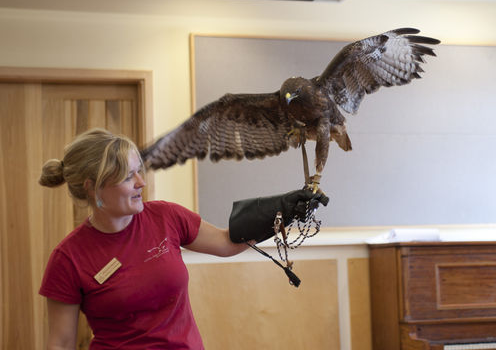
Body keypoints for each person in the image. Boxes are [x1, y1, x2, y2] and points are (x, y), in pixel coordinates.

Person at [38, 128, 322, 349]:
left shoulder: (165, 217)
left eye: (140, 171)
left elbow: (226, 242)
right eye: (127, 177)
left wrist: (283, 209)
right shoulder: (68, 258)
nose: (141, 183)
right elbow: (60, 343)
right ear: (93, 188)